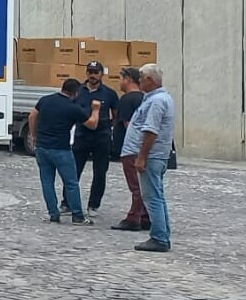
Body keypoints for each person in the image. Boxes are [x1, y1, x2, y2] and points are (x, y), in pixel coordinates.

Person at [125, 64, 176, 252]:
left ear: (150, 80)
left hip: (152, 156)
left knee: (152, 197)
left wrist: (142, 157)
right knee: (157, 196)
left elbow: (151, 131)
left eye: (141, 77)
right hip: (158, 156)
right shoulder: (162, 98)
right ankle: (162, 234)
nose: (138, 80)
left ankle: (159, 237)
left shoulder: (156, 101)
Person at [27, 79, 90, 225]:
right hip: (61, 149)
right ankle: (77, 216)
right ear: (76, 92)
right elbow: (91, 124)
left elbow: (32, 116)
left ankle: (53, 215)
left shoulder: (45, 100)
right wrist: (96, 110)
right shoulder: (73, 107)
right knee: (71, 182)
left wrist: (34, 135)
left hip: (42, 147)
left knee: (47, 182)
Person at [70, 61, 118, 222]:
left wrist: (110, 128)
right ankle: (67, 202)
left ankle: (94, 205)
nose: (92, 75)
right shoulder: (78, 91)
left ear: (101, 74)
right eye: (90, 71)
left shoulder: (109, 93)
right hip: (82, 135)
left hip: (101, 136)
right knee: (73, 171)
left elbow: (116, 114)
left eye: (96, 72)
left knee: (100, 172)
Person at [111, 67, 152, 233]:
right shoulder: (145, 98)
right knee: (144, 185)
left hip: (131, 150)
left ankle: (134, 217)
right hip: (142, 148)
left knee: (135, 186)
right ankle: (146, 216)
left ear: (128, 79)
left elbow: (131, 126)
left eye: (121, 78)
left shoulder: (127, 100)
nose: (119, 82)